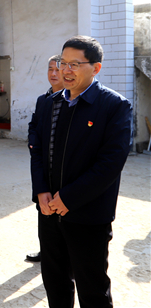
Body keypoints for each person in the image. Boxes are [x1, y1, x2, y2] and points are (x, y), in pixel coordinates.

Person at [30, 36, 132, 308]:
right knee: (55, 283)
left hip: (88, 215)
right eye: (63, 63)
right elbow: (37, 150)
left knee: (92, 289)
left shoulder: (114, 106)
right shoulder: (49, 103)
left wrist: (69, 198)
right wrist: (41, 190)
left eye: (75, 64)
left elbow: (110, 163)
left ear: (95, 68)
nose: (65, 70)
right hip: (49, 210)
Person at [26, 54, 64, 263]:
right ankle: (46, 252)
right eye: (50, 69)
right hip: (44, 165)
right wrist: (34, 143)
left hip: (63, 167)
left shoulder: (71, 101)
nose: (53, 73)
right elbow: (34, 126)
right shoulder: (43, 99)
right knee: (44, 210)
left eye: (57, 69)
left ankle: (67, 261)